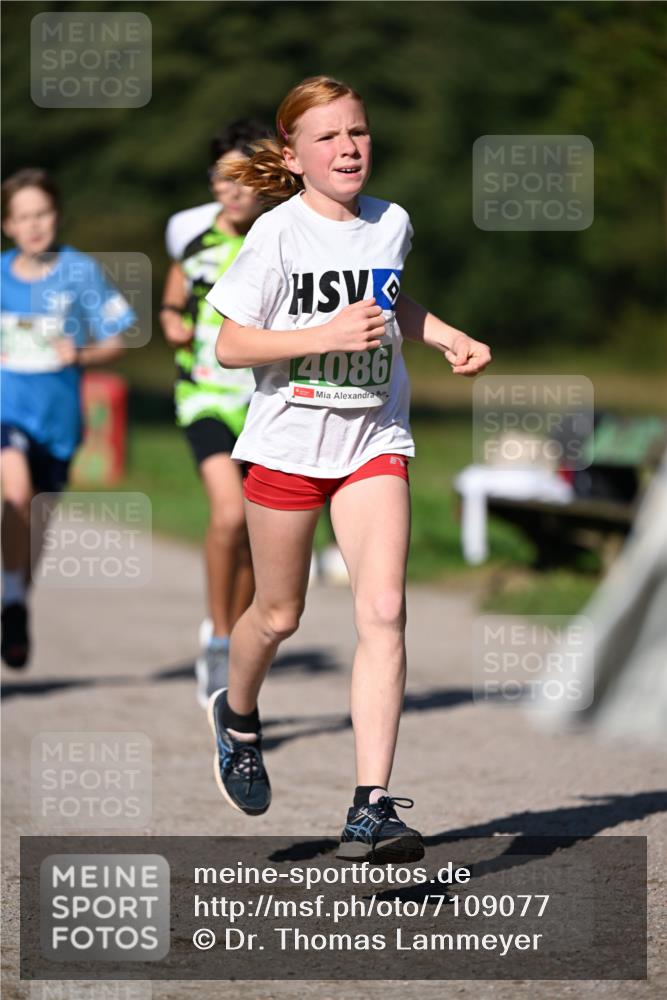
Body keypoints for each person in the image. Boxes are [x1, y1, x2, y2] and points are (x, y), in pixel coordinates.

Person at [204, 76, 492, 863]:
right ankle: (237, 714)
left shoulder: (390, 221)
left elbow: (387, 301)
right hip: (290, 448)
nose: (348, 148)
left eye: (357, 132)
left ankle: (370, 806)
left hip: (373, 440)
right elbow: (231, 345)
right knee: (277, 614)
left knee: (384, 610)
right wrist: (320, 334)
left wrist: (441, 334)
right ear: (293, 157)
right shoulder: (276, 235)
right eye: (328, 138)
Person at [1, 168, 133, 668]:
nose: (35, 226)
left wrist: (79, 353)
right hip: (6, 411)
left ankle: (15, 602)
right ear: (8, 225)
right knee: (13, 492)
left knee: (34, 524)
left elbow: (118, 339)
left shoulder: (79, 271)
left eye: (43, 214)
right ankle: (12, 601)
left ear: (56, 216)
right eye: (23, 217)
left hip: (58, 425)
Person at [160, 119, 272, 706]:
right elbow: (172, 302)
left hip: (262, 403)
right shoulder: (195, 244)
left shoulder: (276, 243)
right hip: (203, 397)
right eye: (220, 178)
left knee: (255, 533)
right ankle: (219, 636)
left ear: (263, 182)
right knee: (229, 515)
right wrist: (171, 320)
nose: (231, 189)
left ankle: (234, 631)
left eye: (242, 178)